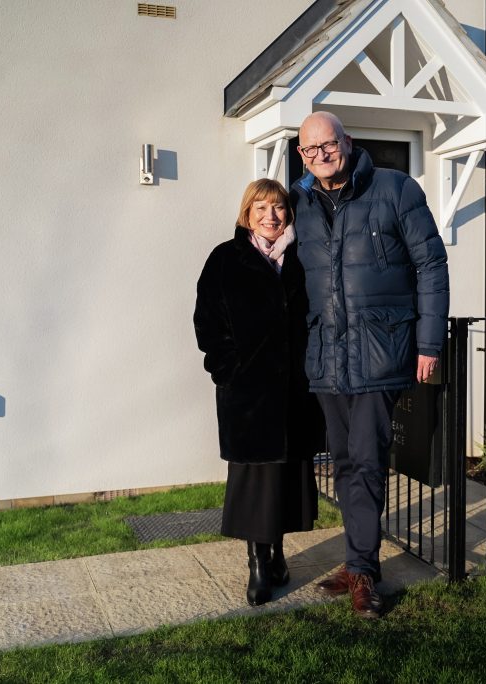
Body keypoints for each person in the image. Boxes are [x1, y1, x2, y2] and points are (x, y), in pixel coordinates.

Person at [291, 111, 449, 618]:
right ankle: (358, 561)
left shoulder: (396, 189)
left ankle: (363, 571)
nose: (321, 155)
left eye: (328, 145)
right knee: (343, 463)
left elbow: (430, 265)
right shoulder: (300, 204)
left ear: (347, 141)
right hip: (327, 358)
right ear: (301, 156)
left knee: (367, 459)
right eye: (310, 150)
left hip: (380, 352)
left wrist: (429, 344)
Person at [193, 178, 323, 607]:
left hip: (292, 393)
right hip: (248, 397)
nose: (271, 216)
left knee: (285, 479)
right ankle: (257, 566)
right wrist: (227, 370)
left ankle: (279, 555)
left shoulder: (300, 260)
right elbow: (207, 322)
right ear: (247, 214)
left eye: (279, 207)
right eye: (261, 208)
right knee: (255, 483)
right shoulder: (226, 259)